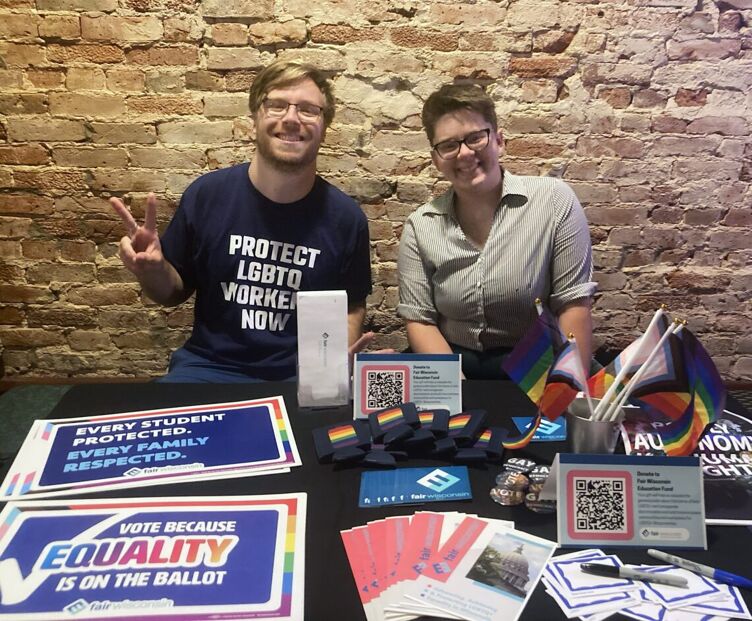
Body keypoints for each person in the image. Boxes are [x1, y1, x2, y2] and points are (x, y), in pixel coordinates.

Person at [110, 59, 373, 382]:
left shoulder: (346, 218)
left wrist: (333, 363)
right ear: (254, 120)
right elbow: (170, 294)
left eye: (308, 109)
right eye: (276, 105)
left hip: (302, 376)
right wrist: (153, 271)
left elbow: (350, 306)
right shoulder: (207, 195)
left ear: (324, 128)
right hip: (209, 368)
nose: (291, 118)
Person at [398, 83, 596, 379]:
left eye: (476, 138)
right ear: (436, 159)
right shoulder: (420, 225)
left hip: (537, 365)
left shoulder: (554, 201)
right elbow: (420, 319)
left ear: (499, 141)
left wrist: (565, 389)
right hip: (452, 361)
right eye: (449, 145)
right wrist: (456, 390)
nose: (464, 153)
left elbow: (574, 304)